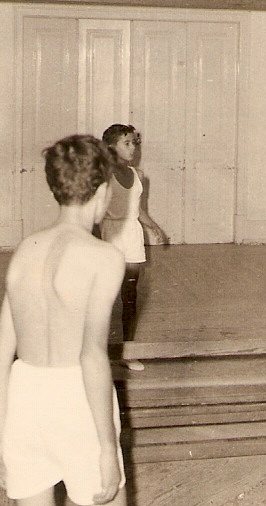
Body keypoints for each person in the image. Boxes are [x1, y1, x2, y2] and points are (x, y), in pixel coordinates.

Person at [0, 135, 127, 506]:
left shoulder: (25, 250)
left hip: (25, 397)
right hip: (78, 400)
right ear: (103, 190)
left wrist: (2, 438)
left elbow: (0, 358)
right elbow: (92, 356)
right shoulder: (104, 257)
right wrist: (106, 447)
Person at [100, 124, 168, 371]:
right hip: (110, 234)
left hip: (132, 235)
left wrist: (154, 227)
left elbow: (138, 210)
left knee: (130, 295)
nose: (133, 149)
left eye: (134, 143)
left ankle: (127, 351)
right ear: (111, 146)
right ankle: (100, 351)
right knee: (105, 295)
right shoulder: (102, 175)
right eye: (126, 143)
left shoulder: (138, 175)